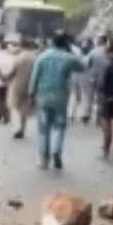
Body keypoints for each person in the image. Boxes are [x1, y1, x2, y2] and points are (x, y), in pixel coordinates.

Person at [29, 32, 86, 170]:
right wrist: (71, 52)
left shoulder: (42, 57)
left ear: (52, 42)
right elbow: (83, 67)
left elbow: (35, 77)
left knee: (43, 129)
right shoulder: (68, 58)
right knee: (59, 126)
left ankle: (44, 160)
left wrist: (31, 95)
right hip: (60, 97)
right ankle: (56, 152)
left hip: (43, 96)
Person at [7, 38, 38, 139]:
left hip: (18, 85)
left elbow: (12, 71)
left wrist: (6, 77)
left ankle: (17, 128)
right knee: (25, 108)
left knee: (14, 106)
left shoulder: (19, 57)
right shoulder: (35, 58)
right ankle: (23, 129)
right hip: (30, 86)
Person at [83, 34, 110, 125]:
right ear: (106, 42)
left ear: (99, 41)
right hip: (103, 78)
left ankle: (87, 114)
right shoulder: (108, 52)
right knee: (101, 98)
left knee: (89, 97)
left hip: (92, 77)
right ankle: (99, 118)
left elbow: (87, 64)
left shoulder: (93, 51)